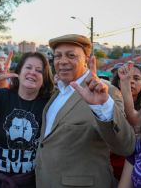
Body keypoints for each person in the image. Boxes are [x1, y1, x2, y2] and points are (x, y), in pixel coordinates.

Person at [35, 34, 135, 188]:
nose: (62, 61)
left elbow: (125, 146)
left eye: (71, 55)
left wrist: (103, 107)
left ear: (87, 60)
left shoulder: (105, 92)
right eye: (58, 56)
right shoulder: (58, 93)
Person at [0, 51, 54, 187]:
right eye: (28, 67)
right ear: (18, 72)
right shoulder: (2, 95)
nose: (32, 72)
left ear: (44, 78)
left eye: (39, 70)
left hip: (32, 181)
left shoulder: (49, 103)